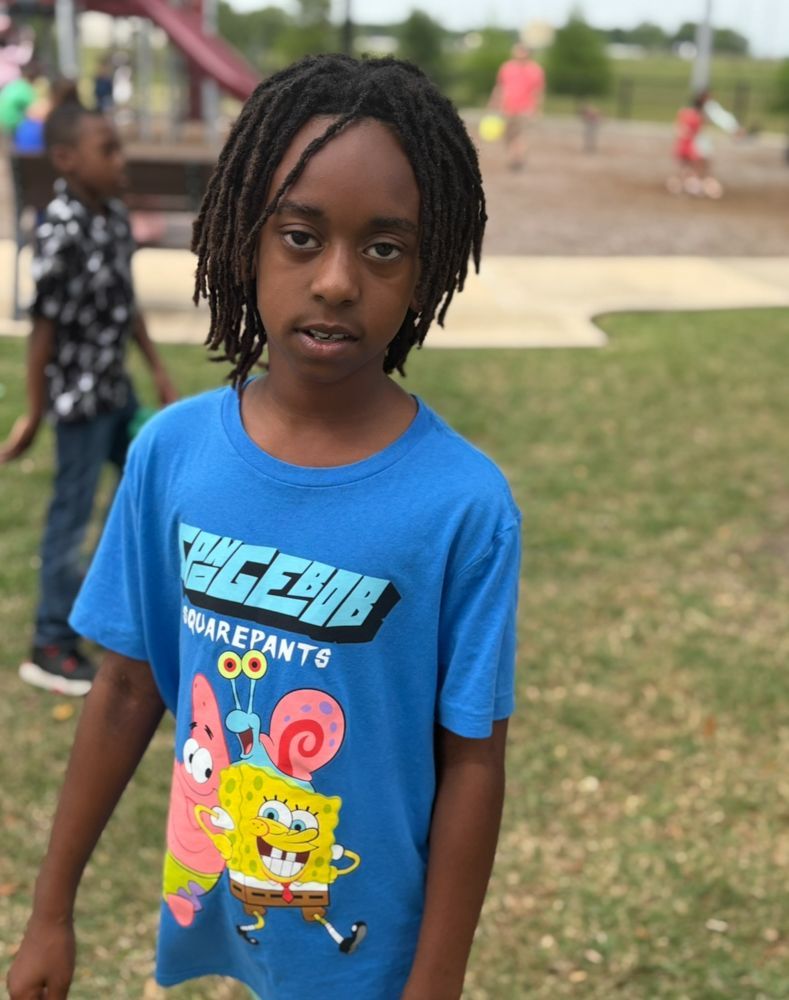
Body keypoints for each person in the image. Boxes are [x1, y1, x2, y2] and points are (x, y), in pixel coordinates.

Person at [6, 54, 521, 999]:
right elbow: (124, 688)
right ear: (246, 239)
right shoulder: (171, 454)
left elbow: (472, 763)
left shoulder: (463, 505)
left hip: (368, 950)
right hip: (227, 897)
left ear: (429, 269)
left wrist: (436, 982)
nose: (336, 281)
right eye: (300, 236)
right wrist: (51, 912)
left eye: (384, 249)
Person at [0, 99, 177, 695]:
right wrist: (34, 412)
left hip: (116, 392)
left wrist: (157, 371)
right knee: (69, 515)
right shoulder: (59, 227)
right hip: (78, 403)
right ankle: (50, 644)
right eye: (109, 150)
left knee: (143, 488)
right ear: (66, 158)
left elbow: (127, 303)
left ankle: (106, 605)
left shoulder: (113, 216)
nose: (121, 160)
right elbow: (42, 329)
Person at [667, 88, 742, 199]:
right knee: (693, 166)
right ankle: (692, 184)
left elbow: (721, 118)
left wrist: (734, 129)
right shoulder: (697, 111)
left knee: (692, 166)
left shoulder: (700, 110)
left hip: (694, 141)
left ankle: (690, 184)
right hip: (693, 142)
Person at [488, 42, 545, 170]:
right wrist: (493, 102)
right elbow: (500, 87)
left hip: (526, 109)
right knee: (508, 136)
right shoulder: (506, 67)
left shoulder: (535, 70)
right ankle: (514, 156)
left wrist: (537, 109)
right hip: (507, 108)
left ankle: (517, 159)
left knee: (520, 135)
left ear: (528, 53)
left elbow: (538, 92)